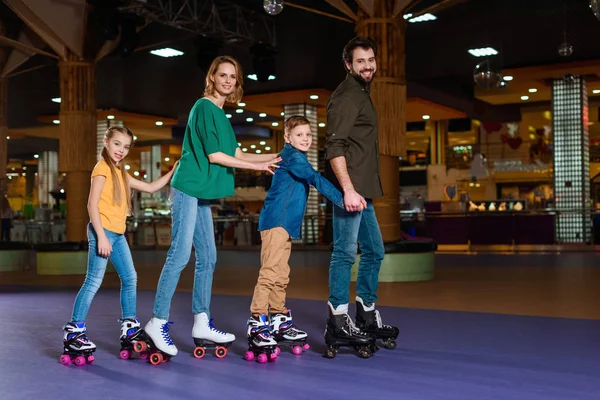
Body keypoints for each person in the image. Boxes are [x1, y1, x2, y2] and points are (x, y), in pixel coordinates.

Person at [144, 56, 281, 358]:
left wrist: (279, 155)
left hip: (201, 192)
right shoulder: (204, 107)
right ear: (212, 77)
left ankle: (201, 322)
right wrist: (256, 168)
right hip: (188, 187)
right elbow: (216, 156)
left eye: (233, 76)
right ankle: (157, 321)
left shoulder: (220, 113)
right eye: (223, 75)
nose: (228, 80)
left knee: (208, 255)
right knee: (180, 254)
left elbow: (238, 151)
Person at [60, 126, 178, 365]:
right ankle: (74, 331)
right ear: (106, 142)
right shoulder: (101, 168)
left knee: (130, 278)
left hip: (118, 234)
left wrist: (173, 171)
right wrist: (101, 237)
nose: (121, 151)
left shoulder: (120, 172)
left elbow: (151, 187)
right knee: (93, 280)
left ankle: (129, 327)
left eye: (125, 147)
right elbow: (92, 205)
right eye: (117, 145)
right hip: (102, 232)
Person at [245, 116, 351, 359]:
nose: (305, 139)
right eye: (300, 134)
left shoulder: (297, 157)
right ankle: (256, 321)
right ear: (287, 138)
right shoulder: (293, 157)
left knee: (281, 275)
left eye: (308, 134)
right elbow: (315, 179)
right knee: (270, 272)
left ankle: (279, 320)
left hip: (285, 225)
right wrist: (343, 198)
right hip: (275, 223)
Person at [324, 37, 399, 357]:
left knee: (375, 251)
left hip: (362, 191)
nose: (367, 66)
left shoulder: (361, 94)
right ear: (348, 65)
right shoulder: (347, 97)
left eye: (371, 59)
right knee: (344, 253)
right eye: (360, 61)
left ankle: (365, 313)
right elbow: (335, 147)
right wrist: (349, 189)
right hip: (350, 191)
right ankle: (338, 318)